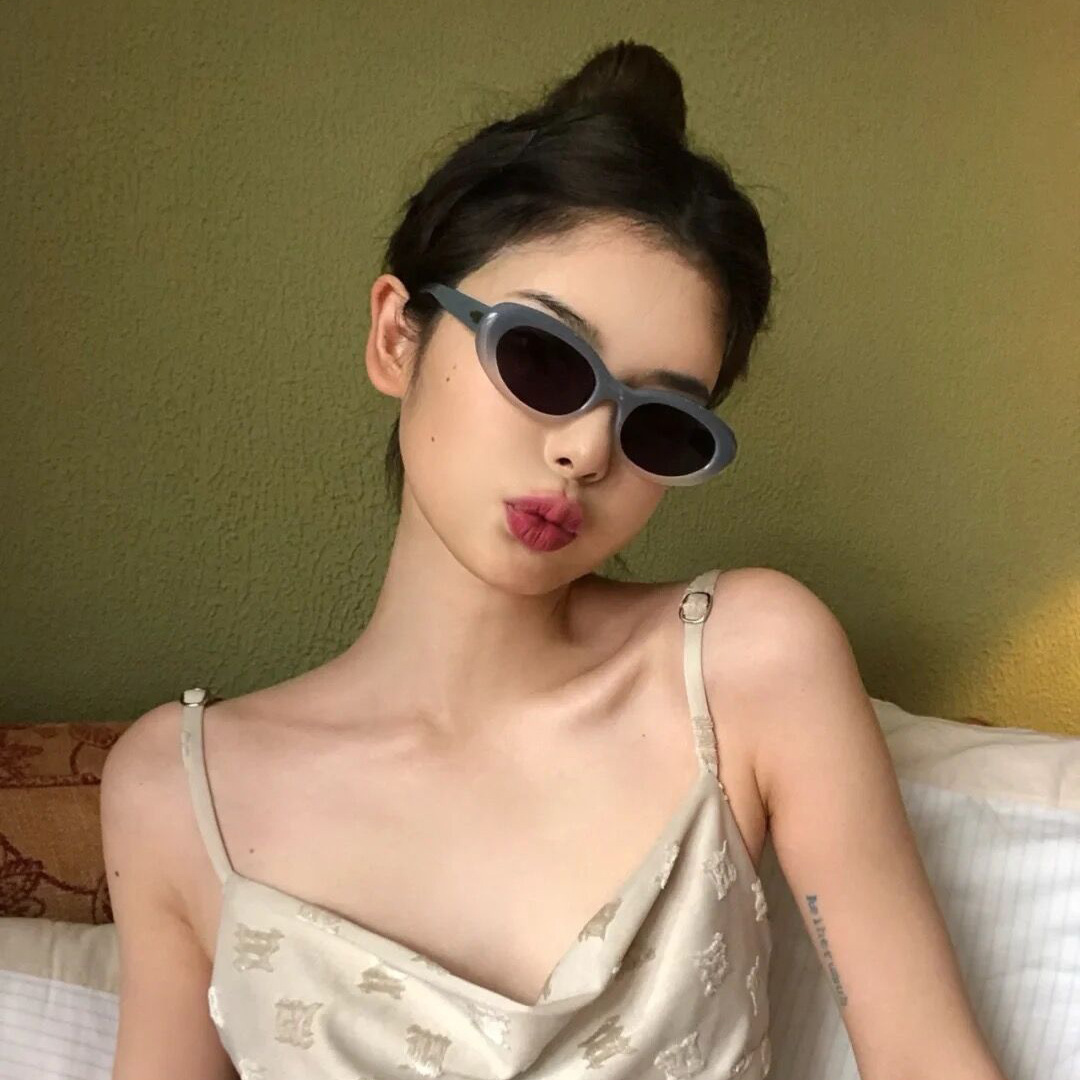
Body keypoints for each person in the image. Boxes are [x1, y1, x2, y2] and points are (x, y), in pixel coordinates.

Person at [101, 39, 1007, 1080]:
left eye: (660, 421)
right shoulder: (179, 792)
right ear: (398, 338)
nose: (587, 450)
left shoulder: (748, 665)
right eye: (541, 358)